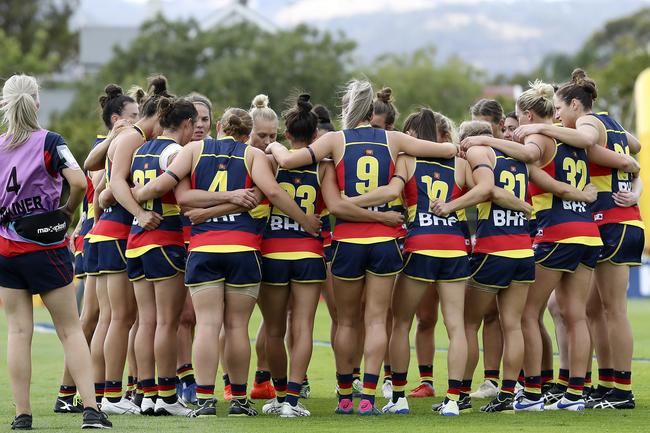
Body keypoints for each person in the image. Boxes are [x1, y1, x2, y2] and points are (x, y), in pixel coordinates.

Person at [267, 79, 457, 415]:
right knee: (375, 321)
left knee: (348, 322)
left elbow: (293, 163)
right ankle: (369, 394)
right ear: (372, 110)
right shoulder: (394, 139)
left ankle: (344, 396)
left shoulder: (333, 140)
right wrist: (384, 218)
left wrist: (273, 149)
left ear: (345, 108)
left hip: (347, 244)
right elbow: (447, 150)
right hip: (385, 244)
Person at [134, 107, 321, 417]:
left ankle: (206, 400)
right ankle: (238, 399)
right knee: (237, 327)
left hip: (204, 247)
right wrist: (304, 220)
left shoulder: (193, 149)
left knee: (207, 325)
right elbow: (272, 191)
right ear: (247, 134)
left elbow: (182, 198)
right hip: (243, 249)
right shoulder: (252, 155)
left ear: (218, 126)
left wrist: (133, 196)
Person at [515, 69, 644, 409]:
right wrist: (636, 186)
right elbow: (635, 152)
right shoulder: (612, 123)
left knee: (610, 310)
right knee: (587, 310)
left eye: (560, 108)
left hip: (610, 219)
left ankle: (619, 390)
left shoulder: (587, 125)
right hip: (617, 220)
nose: (557, 116)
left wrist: (540, 127)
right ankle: (595, 385)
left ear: (575, 103)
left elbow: (588, 141)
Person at [0, 74, 111, 429]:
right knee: (70, 329)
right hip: (45, 246)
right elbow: (79, 181)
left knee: (18, 332)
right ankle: (92, 411)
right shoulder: (50, 141)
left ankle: (22, 416)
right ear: (37, 103)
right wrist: (69, 210)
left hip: (6, 248)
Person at [55, 84, 139, 414]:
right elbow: (102, 190)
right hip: (97, 235)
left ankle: (90, 391)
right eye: (132, 116)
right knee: (95, 317)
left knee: (99, 317)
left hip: (95, 234)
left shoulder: (118, 145)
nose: (137, 122)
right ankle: (88, 393)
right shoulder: (104, 147)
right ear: (116, 119)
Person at [95, 75, 171, 415]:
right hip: (115, 232)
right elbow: (110, 186)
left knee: (118, 318)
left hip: (116, 232)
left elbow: (101, 177)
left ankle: (110, 392)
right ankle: (110, 395)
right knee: (120, 318)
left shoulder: (132, 137)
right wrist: (140, 212)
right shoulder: (132, 136)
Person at [118, 98, 198, 416]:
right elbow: (179, 197)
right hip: (164, 240)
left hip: (136, 242)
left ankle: (147, 394)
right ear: (188, 124)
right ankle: (167, 396)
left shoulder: (143, 149)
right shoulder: (174, 152)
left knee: (146, 322)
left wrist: (138, 201)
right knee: (167, 322)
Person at [258, 94, 331, 417]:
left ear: (286, 134)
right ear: (316, 136)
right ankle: (291, 400)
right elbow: (331, 206)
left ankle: (278, 392)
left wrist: (273, 147)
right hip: (309, 253)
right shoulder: (324, 166)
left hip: (272, 251)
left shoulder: (272, 159)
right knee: (303, 326)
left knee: (274, 329)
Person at [172, 92, 214, 405]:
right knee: (182, 316)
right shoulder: (175, 152)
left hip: (209, 239)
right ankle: (183, 378)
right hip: (175, 238)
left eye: (204, 119)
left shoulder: (215, 154)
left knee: (209, 319)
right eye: (194, 119)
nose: (199, 125)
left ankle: (211, 383)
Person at [467, 98, 506, 399]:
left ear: (499, 124)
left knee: (518, 319)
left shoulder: (511, 151)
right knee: (491, 316)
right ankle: (495, 383)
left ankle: (465, 388)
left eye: (484, 126)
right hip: (490, 237)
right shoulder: (481, 155)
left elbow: (486, 190)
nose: (478, 133)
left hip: (504, 243)